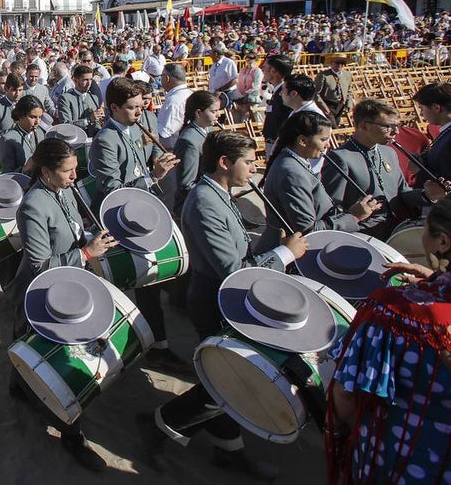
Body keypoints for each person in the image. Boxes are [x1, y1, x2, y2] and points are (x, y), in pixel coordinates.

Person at [140, 131, 307, 480]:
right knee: (228, 383)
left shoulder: (220, 194)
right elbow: (232, 271)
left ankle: (228, 450)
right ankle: (161, 425)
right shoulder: (204, 201)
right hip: (216, 301)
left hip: (226, 298)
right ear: (225, 163)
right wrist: (284, 253)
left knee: (228, 378)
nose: (254, 167)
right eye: (248, 161)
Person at [326, 187, 451, 484]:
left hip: (407, 463)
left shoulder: (393, 312)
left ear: (443, 243)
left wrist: (340, 435)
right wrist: (440, 280)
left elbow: (345, 394)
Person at [11, 138, 118, 472]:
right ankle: (73, 436)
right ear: (46, 172)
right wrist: (87, 253)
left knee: (28, 354)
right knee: (63, 366)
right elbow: (41, 265)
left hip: (66, 284)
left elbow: (72, 228)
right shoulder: (32, 206)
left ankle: (18, 386)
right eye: (68, 171)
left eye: (74, 169)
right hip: (44, 294)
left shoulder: (62, 190)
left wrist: (91, 237)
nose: (75, 176)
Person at [87, 77, 185, 372]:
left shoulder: (133, 128)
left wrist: (158, 159)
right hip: (117, 223)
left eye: (141, 107)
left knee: (149, 282)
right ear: (113, 108)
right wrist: (152, 176)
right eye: (132, 108)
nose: (139, 113)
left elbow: (142, 162)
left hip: (139, 216)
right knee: (113, 285)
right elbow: (112, 190)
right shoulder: (106, 140)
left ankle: (158, 345)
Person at [258, 112, 379, 254]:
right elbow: (309, 230)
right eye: (323, 139)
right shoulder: (291, 172)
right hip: (289, 254)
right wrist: (353, 216)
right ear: (302, 141)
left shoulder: (296, 162)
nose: (327, 144)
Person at [322, 99, 443, 240]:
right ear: (364, 126)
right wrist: (354, 215)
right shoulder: (340, 158)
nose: (396, 132)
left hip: (396, 232)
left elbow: (402, 193)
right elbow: (332, 209)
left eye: (397, 125)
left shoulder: (389, 152)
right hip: (363, 237)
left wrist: (427, 195)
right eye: (389, 126)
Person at [168, 90, 220, 214]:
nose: (218, 114)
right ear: (199, 113)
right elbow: (186, 184)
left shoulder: (209, 129)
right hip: (193, 208)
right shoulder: (189, 141)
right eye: (214, 111)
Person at [0, 95, 45, 174]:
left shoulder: (40, 133)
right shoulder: (8, 139)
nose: (37, 122)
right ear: (21, 115)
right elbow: (6, 174)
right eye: (33, 117)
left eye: (40, 117)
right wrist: (25, 168)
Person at [56, 64, 104, 137]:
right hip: (74, 140)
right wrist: (88, 120)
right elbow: (65, 126)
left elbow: (96, 123)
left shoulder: (94, 98)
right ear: (75, 80)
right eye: (85, 80)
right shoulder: (65, 98)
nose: (89, 83)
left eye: (91, 79)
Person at [261, 54, 293, 156]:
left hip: (279, 144)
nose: (262, 69)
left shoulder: (285, 94)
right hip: (273, 141)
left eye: (265, 67)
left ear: (274, 71)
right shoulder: (278, 91)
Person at [156, 63, 192, 149]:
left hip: (175, 149)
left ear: (167, 78)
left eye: (162, 75)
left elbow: (165, 133)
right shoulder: (191, 93)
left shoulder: (173, 101)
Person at [315, 54, 353, 123]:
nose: (340, 65)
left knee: (337, 122)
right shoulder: (323, 75)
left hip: (340, 104)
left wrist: (349, 103)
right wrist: (324, 107)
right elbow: (316, 93)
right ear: (331, 63)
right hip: (327, 104)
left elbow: (349, 91)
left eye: (342, 63)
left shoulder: (347, 75)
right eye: (337, 63)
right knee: (332, 126)